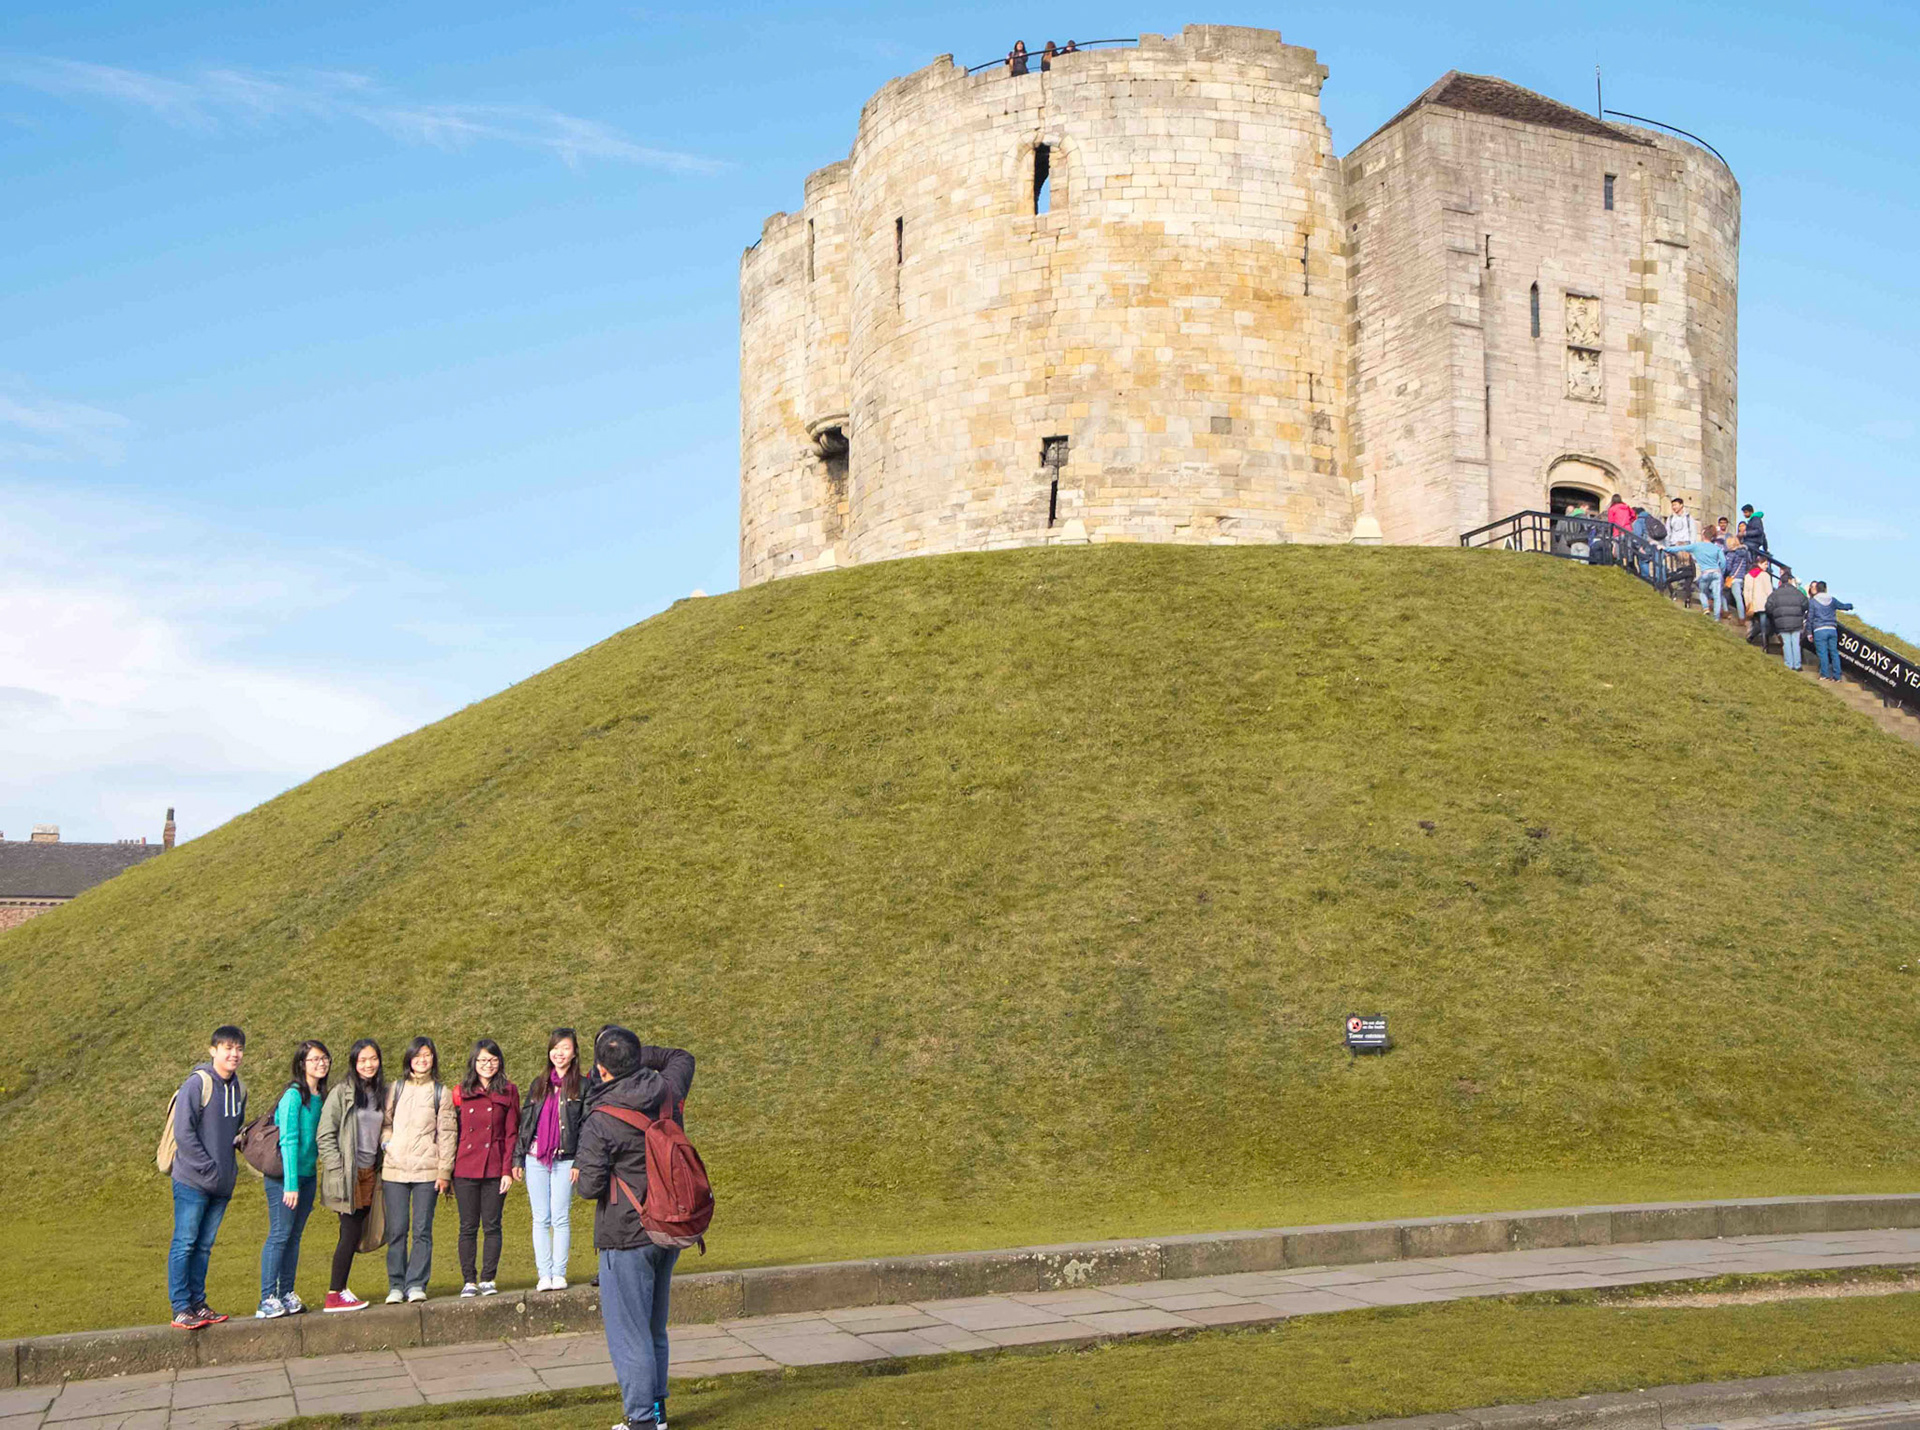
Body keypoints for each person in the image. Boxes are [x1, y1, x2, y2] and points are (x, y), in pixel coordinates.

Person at [576, 1027, 696, 1430]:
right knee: (652, 1327)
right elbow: (681, 1055)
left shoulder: (600, 1119)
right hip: (670, 1225)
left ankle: (642, 1419)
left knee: (630, 1334)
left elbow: (589, 1186)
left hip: (626, 1233)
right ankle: (656, 1413)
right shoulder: (665, 1090)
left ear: (601, 1070)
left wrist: (579, 1176)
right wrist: (632, 1055)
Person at [168, 1025, 248, 1330]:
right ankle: (180, 1307)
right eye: (227, 1048)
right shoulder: (197, 1083)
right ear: (213, 1050)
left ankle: (198, 1303)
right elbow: (183, 1134)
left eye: (239, 1048)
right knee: (185, 1243)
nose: (234, 1054)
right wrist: (208, 1167)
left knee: (204, 1246)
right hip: (192, 1180)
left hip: (222, 1184)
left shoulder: (239, 1089)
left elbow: (231, 1132)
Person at [381, 1036, 455, 1304]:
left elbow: (447, 1133)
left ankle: (416, 1284)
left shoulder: (440, 1092)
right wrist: (387, 1144)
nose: (422, 1060)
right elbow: (385, 1122)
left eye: (427, 1055)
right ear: (409, 1059)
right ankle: (396, 1285)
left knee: (422, 1229)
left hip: (427, 1172)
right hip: (395, 1171)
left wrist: (444, 1171)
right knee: (397, 1229)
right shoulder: (396, 1089)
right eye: (417, 1055)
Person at [259, 1040, 329, 1319]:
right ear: (302, 1064)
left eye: (324, 1058)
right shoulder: (293, 1096)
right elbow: (288, 1141)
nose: (320, 1063)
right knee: (279, 1235)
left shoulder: (319, 1096)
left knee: (294, 1236)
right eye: (314, 1059)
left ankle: (286, 1291)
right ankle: (267, 1297)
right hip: (285, 1178)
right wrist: (290, 1184)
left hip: (308, 1175)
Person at [316, 1039, 387, 1312]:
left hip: (370, 1171)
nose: (368, 1065)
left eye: (373, 1059)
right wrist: (336, 1168)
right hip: (348, 1173)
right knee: (349, 1232)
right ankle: (335, 1293)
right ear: (354, 1064)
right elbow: (325, 1134)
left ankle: (341, 1289)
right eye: (362, 1060)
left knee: (355, 1231)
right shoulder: (341, 1093)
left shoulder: (380, 1092)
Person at [515, 1028, 588, 1291]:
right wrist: (518, 1158)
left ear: (574, 1052)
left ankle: (559, 1272)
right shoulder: (539, 1084)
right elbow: (526, 1123)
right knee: (540, 1218)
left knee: (560, 1217)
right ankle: (543, 1274)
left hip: (565, 1159)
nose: (559, 1053)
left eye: (565, 1048)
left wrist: (580, 1161)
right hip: (536, 1158)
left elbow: (585, 1127)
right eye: (555, 1048)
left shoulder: (582, 1086)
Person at [451, 1039, 520, 1296]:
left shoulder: (508, 1091)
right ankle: (468, 1279)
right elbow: (453, 1133)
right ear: (474, 1063)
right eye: (482, 1060)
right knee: (468, 1226)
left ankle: (488, 1278)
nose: (487, 1065)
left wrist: (507, 1170)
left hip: (494, 1167)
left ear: (499, 1062)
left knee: (492, 1224)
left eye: (492, 1060)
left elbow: (512, 1132)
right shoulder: (461, 1091)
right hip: (465, 1168)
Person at [1807, 581, 1855, 681]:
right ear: (1825, 589)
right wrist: (1850, 606)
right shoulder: (1831, 600)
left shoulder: (1813, 601)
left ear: (1817, 589)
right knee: (1834, 652)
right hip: (1832, 629)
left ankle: (1825, 674)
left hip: (1819, 630)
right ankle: (1837, 676)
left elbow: (1810, 618)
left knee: (1823, 653)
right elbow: (1843, 606)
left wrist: (1809, 633)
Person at [1766, 576, 1808, 671]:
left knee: (1786, 643)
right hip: (1796, 621)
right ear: (1790, 581)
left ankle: (1788, 664)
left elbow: (1768, 607)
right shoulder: (1797, 592)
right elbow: (1805, 604)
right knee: (1796, 643)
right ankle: (1797, 665)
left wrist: (1776, 614)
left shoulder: (1775, 594)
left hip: (1782, 622)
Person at [1683, 539, 1724, 617]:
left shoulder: (1701, 548)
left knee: (1702, 592)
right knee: (1717, 595)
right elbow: (1723, 562)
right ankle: (1717, 617)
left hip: (1706, 573)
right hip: (1716, 572)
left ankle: (1706, 608)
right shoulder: (1717, 548)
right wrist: (1721, 571)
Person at [1743, 562, 1775, 647]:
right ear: (1759, 564)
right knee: (1764, 623)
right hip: (1763, 602)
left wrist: (1748, 603)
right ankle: (1764, 643)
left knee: (1758, 622)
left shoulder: (1748, 576)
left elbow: (1746, 591)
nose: (1767, 566)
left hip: (1753, 603)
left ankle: (1751, 636)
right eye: (1765, 564)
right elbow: (1769, 591)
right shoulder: (1765, 575)